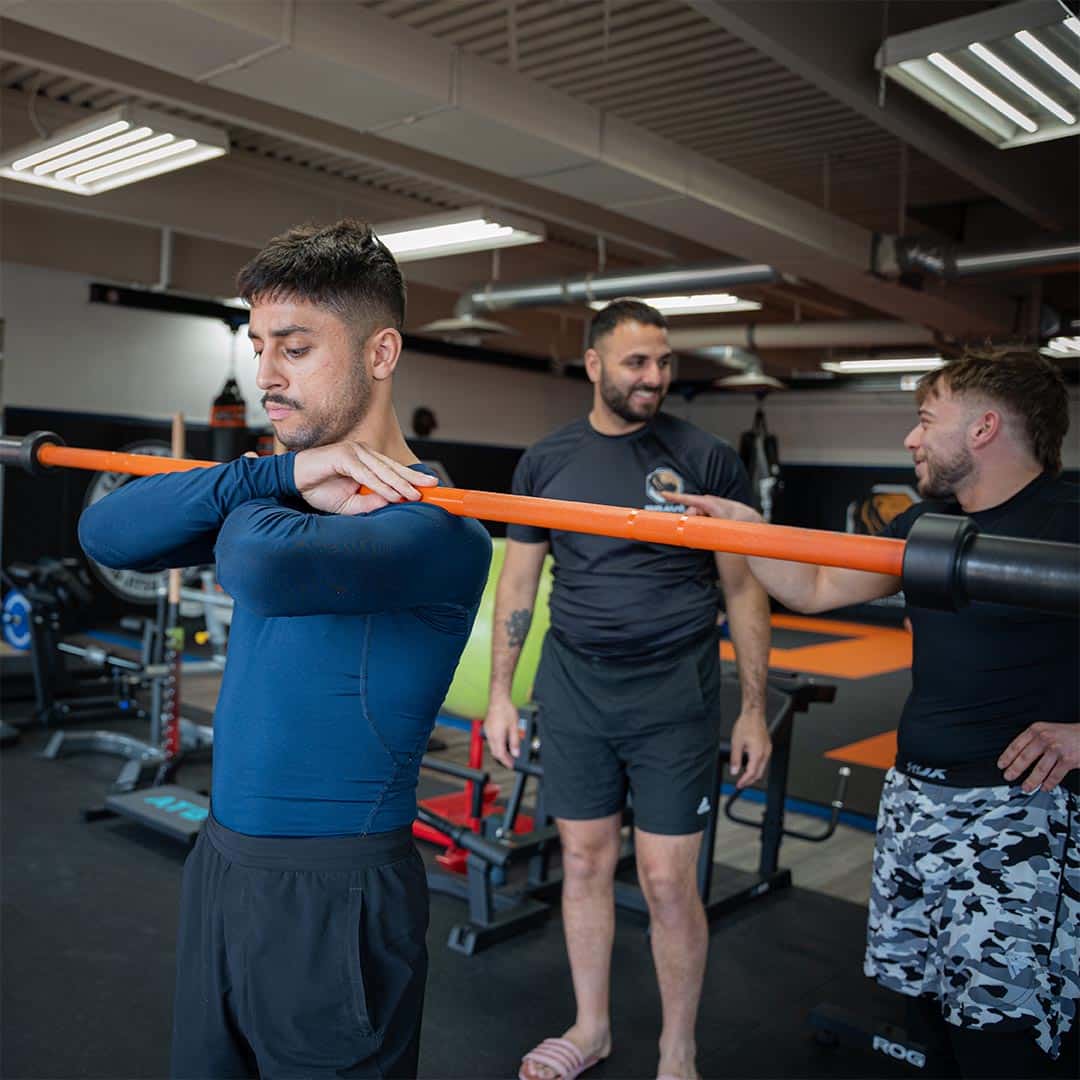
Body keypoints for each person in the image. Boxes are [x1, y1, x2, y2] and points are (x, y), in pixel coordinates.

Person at [79, 221, 492, 1079]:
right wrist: (275, 475)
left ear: (381, 353)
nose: (266, 374)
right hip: (221, 867)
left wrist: (258, 495)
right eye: (260, 344)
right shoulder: (286, 488)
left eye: (296, 347)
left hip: (336, 895)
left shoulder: (436, 529)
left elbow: (260, 566)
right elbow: (104, 531)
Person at [672, 350, 1079, 1078]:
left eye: (926, 420)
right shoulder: (929, 525)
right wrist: (742, 524)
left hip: (1020, 826)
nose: (910, 440)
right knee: (930, 1016)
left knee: (1008, 1042)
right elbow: (818, 584)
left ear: (985, 428)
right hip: (916, 807)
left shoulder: (1071, 521)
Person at [484, 299, 773, 1080]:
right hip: (575, 684)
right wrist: (502, 695)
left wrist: (753, 708)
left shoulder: (706, 457)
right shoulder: (546, 461)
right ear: (595, 365)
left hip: (674, 690)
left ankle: (678, 1050)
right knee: (582, 861)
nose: (655, 377)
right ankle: (591, 1028)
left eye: (664, 362)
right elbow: (520, 581)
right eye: (638, 362)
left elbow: (744, 590)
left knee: (668, 878)